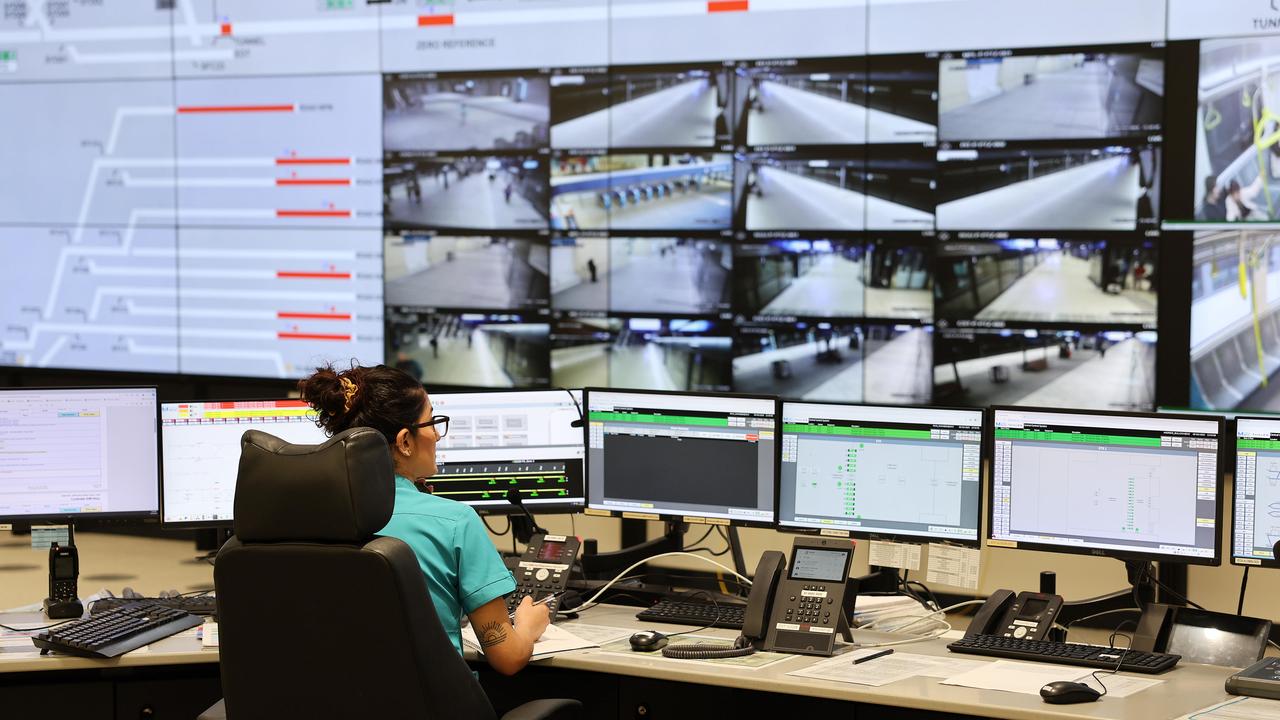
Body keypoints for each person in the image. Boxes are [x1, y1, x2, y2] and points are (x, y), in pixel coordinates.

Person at [298, 364, 549, 675]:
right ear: (405, 441)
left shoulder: (298, 517)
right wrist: (527, 626)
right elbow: (508, 657)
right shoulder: (454, 522)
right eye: (431, 421)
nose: (436, 435)